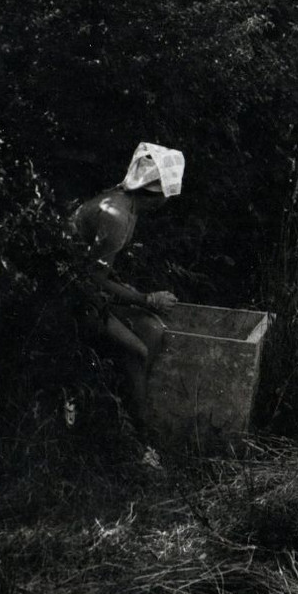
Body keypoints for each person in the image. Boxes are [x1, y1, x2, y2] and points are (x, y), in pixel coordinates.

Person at [70, 143, 184, 456]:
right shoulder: (118, 216)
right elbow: (91, 279)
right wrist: (145, 299)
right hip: (70, 299)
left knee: (151, 329)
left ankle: (128, 418)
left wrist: (136, 299)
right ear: (157, 193)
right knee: (137, 347)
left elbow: (96, 269)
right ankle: (140, 438)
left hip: (87, 293)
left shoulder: (123, 203)